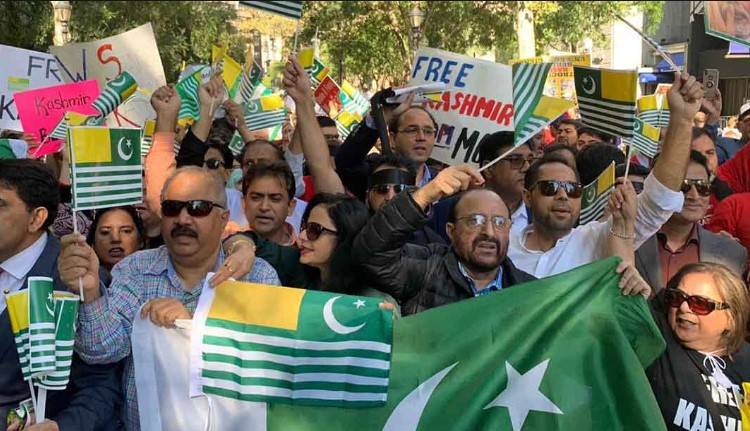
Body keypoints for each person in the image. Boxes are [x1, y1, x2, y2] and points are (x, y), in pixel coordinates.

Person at [58, 167, 280, 430]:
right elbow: (103, 350)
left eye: (198, 208)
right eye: (173, 208)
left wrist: (190, 330)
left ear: (223, 218)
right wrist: (90, 292)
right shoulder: (134, 269)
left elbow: (266, 364)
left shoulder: (256, 276)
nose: (183, 219)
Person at [507, 71, 704, 279]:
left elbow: (659, 200)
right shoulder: (501, 247)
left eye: (572, 189)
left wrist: (682, 119)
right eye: (550, 188)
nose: (562, 196)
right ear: (527, 196)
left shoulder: (597, 241)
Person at [1, 159, 122, 431]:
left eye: (0, 205)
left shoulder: (77, 281)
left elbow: (101, 385)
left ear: (36, 218)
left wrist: (61, 427)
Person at [646, 263, 750, 430]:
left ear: (731, 318)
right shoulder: (658, 339)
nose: (684, 307)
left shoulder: (746, 359)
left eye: (700, 303)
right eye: (677, 297)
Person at [635, 151, 747, 292]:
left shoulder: (731, 253)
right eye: (683, 187)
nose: (694, 196)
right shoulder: (627, 240)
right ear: (660, 188)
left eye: (702, 187)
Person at [335, 92, 439, 200]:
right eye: (412, 130)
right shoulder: (373, 172)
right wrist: (378, 119)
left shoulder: (443, 184)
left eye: (428, 131)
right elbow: (345, 163)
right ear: (393, 139)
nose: (421, 137)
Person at [242, 161, 299, 246]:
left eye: (275, 199)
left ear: (290, 206)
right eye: (255, 198)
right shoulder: (223, 241)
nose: (264, 207)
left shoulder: (304, 252)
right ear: (244, 203)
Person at [86, 206, 145, 273]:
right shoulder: (79, 281)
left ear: (140, 240)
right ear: (93, 242)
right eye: (105, 232)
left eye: (126, 231)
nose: (115, 239)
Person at [202, 143, 248, 227]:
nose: (203, 169)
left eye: (212, 163)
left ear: (227, 173)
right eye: (199, 163)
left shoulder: (242, 202)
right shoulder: (181, 199)